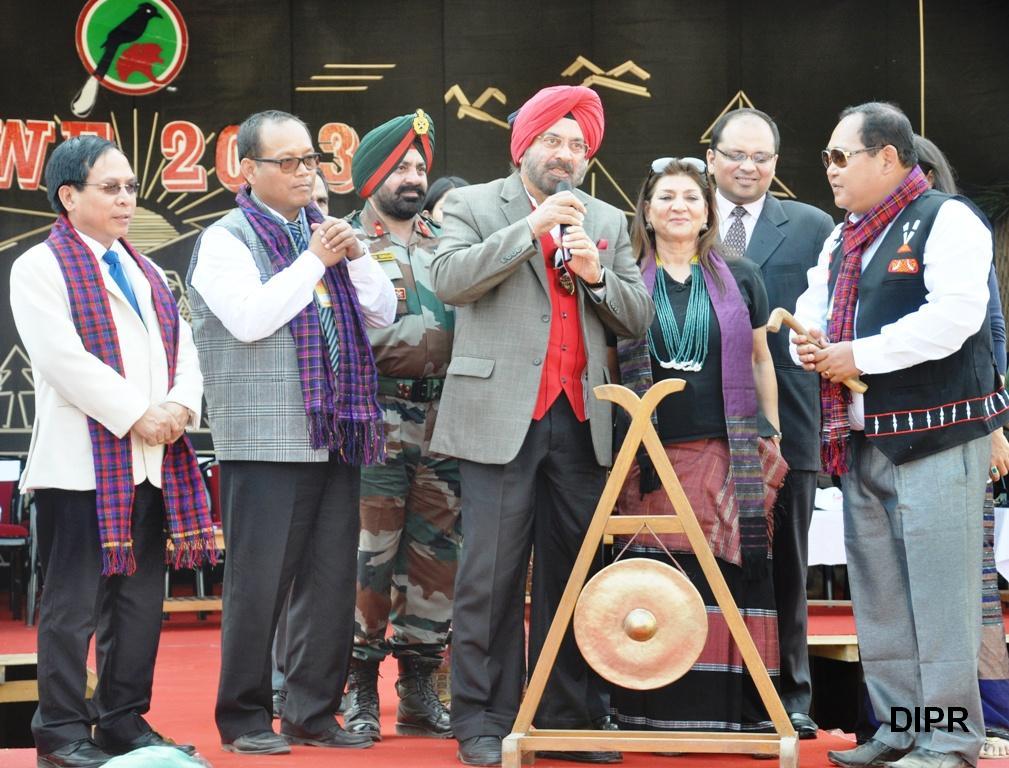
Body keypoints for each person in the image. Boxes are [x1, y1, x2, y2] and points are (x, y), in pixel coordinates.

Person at [430, 84, 653, 767]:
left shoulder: (608, 219)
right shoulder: (471, 206)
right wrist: (528, 231)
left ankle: (565, 717)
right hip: (499, 416)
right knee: (489, 576)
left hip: (581, 420)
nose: (564, 154)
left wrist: (594, 275)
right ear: (522, 144)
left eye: (577, 145)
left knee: (577, 574)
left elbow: (637, 315)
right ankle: (483, 719)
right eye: (552, 141)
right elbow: (448, 280)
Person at [791, 102, 1007, 768]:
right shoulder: (843, 236)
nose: (827, 168)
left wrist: (856, 353)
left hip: (938, 436)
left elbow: (956, 318)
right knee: (881, 596)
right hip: (862, 440)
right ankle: (902, 727)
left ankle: (947, 740)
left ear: (886, 157)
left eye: (838, 156)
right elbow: (813, 299)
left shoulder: (948, 220)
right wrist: (811, 337)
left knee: (939, 598)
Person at [186, 109, 396, 755]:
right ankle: (245, 716)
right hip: (264, 441)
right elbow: (250, 319)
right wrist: (313, 258)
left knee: (331, 579)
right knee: (259, 583)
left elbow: (384, 310)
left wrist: (355, 258)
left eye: (311, 159)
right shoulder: (226, 239)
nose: (305, 172)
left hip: (335, 431)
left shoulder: (326, 232)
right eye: (288, 162)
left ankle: (312, 712)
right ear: (247, 171)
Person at [10, 135, 214, 768]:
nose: (126, 198)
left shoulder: (146, 268)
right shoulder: (40, 266)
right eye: (111, 188)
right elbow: (61, 360)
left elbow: (186, 349)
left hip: (151, 466)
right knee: (72, 609)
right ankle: (62, 734)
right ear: (69, 196)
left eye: (130, 186)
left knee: (136, 606)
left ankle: (123, 720)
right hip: (80, 470)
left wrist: (180, 406)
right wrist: (138, 414)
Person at [609, 156, 784, 735]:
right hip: (647, 456)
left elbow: (761, 359)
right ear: (647, 211)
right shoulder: (625, 277)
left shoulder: (742, 275)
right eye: (665, 198)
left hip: (726, 449)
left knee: (724, 575)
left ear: (708, 209)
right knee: (657, 578)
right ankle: (649, 709)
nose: (678, 206)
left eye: (690, 196)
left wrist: (773, 432)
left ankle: (725, 712)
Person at [706, 107, 835, 739]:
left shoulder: (812, 226)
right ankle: (708, 693)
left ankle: (790, 697)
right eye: (735, 155)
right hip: (695, 424)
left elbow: (835, 321)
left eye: (761, 158)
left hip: (787, 423)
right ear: (712, 158)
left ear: (776, 165)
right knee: (705, 563)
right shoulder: (679, 218)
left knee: (786, 565)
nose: (748, 167)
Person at [340, 110, 460, 741]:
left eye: (421, 167)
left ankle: (419, 689)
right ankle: (357, 687)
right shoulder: (344, 244)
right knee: (370, 559)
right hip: (376, 420)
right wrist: (437, 340)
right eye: (400, 168)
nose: (414, 179)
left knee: (436, 560)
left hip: (445, 422)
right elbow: (356, 337)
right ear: (372, 177)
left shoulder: (448, 243)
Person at [915, 134, 1009, 761]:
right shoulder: (857, 247)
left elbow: (991, 334)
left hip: (963, 430)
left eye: (922, 175)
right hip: (886, 438)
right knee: (900, 592)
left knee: (967, 587)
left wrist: (996, 425)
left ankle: (990, 722)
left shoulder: (963, 239)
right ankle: (904, 722)